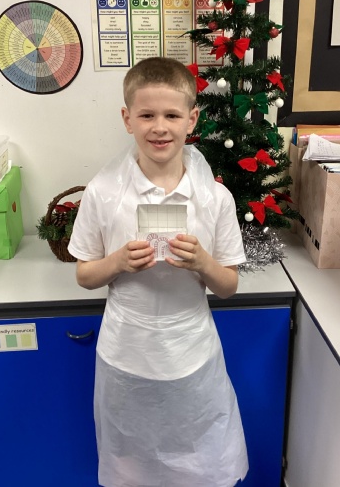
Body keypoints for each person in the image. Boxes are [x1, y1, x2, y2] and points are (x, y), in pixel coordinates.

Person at [68, 56, 248, 487]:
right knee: (132, 465)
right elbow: (85, 275)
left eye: (172, 115)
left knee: (199, 463)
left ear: (192, 119)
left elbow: (228, 286)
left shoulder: (215, 199)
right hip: (127, 358)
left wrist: (203, 262)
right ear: (127, 119)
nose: (159, 127)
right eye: (147, 115)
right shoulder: (103, 193)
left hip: (192, 357)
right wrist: (117, 262)